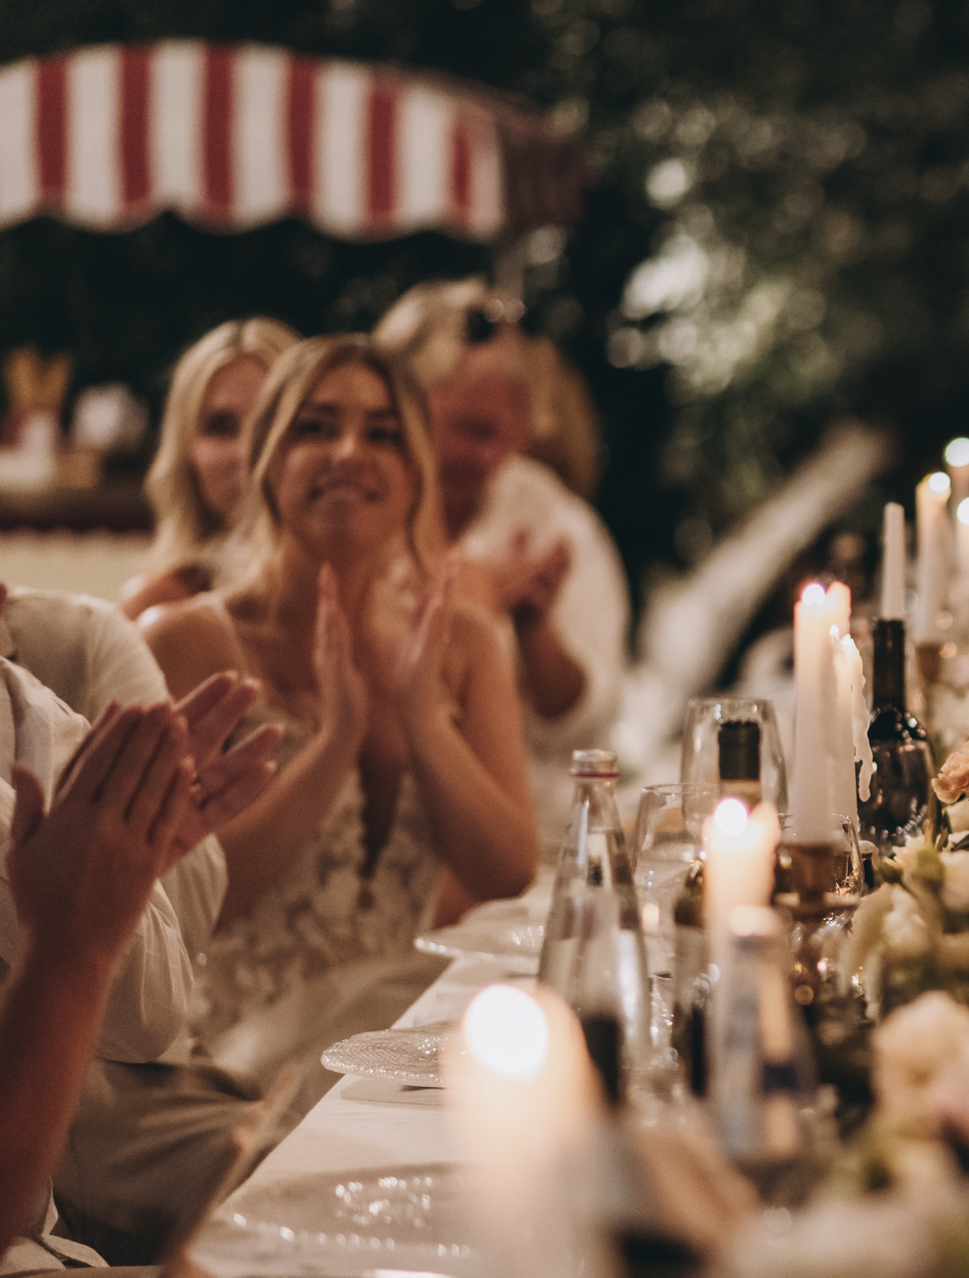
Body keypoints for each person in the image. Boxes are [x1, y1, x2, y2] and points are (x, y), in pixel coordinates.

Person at [139, 336, 537, 1093]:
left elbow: (507, 871)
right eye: (316, 427)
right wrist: (334, 746)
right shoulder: (186, 641)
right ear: (267, 461)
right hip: (233, 1065)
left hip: (400, 1049)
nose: (350, 451)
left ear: (414, 474)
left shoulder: (461, 642)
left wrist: (424, 719)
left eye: (382, 433)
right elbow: (186, 904)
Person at [374, 279, 628, 851]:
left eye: (506, 434)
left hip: (531, 833)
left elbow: (589, 732)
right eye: (469, 429)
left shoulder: (553, 521)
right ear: (402, 407)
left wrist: (534, 630)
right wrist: (475, 596)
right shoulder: (354, 511)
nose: (488, 457)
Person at [1, 702, 195, 1278]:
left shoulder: (28, 706)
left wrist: (95, 908)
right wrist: (70, 940)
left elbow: (153, 1017)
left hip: (36, 1241)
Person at [119, 319, 300, 621]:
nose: (247, 453)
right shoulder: (159, 608)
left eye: (270, 424)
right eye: (220, 427)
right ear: (185, 454)